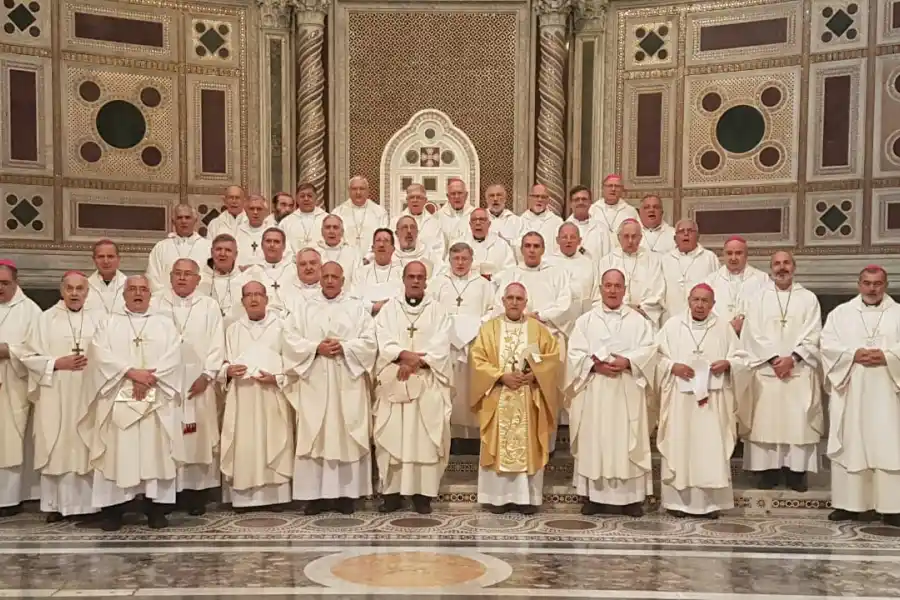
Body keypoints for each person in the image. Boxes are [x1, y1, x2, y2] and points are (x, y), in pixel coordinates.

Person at [79, 275, 183, 531]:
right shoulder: (109, 323)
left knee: (155, 453)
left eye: (143, 289)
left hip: (156, 398)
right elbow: (99, 354)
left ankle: (156, 509)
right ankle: (113, 511)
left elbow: (175, 355)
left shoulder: (165, 324)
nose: (138, 293)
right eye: (132, 289)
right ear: (124, 294)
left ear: (150, 294)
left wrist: (149, 378)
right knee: (117, 454)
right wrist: (130, 373)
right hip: (118, 398)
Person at [283, 262, 377, 515]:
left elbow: (370, 341)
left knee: (346, 433)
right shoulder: (304, 307)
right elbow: (289, 339)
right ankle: (314, 496)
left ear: (343, 279)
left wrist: (344, 347)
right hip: (315, 381)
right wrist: (316, 348)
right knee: (316, 435)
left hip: (347, 379)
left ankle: (347, 495)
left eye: (335, 276)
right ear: (320, 279)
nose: (330, 281)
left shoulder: (356, 308)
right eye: (326, 276)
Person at [565, 269, 657, 516]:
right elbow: (574, 353)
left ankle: (631, 499)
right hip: (596, 391)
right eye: (608, 285)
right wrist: (595, 365)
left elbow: (650, 350)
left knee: (627, 439)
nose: (613, 290)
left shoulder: (638, 321)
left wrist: (628, 362)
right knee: (596, 440)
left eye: (618, 286)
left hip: (627, 389)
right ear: (601, 288)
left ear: (625, 290)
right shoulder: (586, 321)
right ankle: (593, 497)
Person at [655, 283, 748, 519]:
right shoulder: (673, 326)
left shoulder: (723, 329)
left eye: (705, 301)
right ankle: (678, 503)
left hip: (712, 401)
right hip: (680, 400)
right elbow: (655, 357)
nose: (699, 305)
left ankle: (709, 505)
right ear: (688, 300)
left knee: (709, 449)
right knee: (680, 445)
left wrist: (728, 364)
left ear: (713, 304)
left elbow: (741, 359)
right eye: (695, 299)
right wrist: (671, 366)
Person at [470, 282, 560, 513]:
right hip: (499, 396)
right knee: (498, 445)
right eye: (510, 298)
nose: (514, 302)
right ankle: (498, 498)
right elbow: (478, 360)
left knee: (527, 443)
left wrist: (534, 376)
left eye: (519, 299)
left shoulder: (538, 329)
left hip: (528, 399)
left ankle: (526, 499)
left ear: (525, 303)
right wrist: (500, 376)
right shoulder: (489, 329)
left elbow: (551, 359)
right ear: (502, 301)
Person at [821, 265, 900, 526]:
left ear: (885, 285)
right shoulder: (841, 314)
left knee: (889, 444)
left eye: (877, 283)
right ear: (859, 284)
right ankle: (849, 505)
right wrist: (852, 355)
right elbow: (828, 345)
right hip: (852, 390)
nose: (872, 288)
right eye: (867, 283)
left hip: (888, 393)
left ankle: (892, 507)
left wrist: (888, 357)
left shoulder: (898, 313)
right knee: (852, 441)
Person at [372, 261, 453, 515]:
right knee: (393, 435)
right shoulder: (389, 310)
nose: (416, 281)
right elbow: (382, 338)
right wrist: (403, 356)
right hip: (397, 380)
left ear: (426, 281)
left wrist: (417, 361)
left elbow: (443, 342)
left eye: (420, 277)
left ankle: (423, 494)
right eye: (411, 276)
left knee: (425, 438)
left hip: (427, 381)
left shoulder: (438, 310)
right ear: (403, 279)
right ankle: (392, 494)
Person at [740, 251, 822, 492]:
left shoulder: (808, 298)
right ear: (770, 268)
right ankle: (767, 473)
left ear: (794, 267)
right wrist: (775, 359)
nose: (781, 268)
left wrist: (793, 358)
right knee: (766, 422)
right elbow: (752, 332)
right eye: (777, 263)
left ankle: (796, 474)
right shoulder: (758, 298)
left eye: (786, 263)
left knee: (797, 424)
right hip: (767, 371)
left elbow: (814, 332)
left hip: (798, 370)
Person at [20, 271, 99, 522]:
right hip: (55, 389)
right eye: (70, 288)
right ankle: (55, 504)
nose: (75, 293)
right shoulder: (45, 320)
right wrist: (56, 362)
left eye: (80, 289)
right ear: (62, 291)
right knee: (56, 442)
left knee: (87, 441)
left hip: (88, 391)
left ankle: (89, 506)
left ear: (87, 292)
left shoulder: (100, 320)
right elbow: (28, 356)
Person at [153, 259, 225, 515]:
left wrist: (207, 375)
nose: (182, 278)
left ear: (198, 279)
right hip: (166, 383)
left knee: (198, 436)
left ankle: (197, 494)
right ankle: (168, 491)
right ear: (170, 277)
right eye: (178, 273)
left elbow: (218, 342)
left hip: (199, 383)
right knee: (168, 435)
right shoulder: (156, 303)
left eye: (188, 274)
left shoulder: (209, 306)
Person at [220, 281, 294, 510]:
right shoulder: (232, 329)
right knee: (244, 443)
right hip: (242, 396)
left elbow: (292, 361)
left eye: (258, 295)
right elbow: (221, 362)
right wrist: (228, 371)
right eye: (248, 295)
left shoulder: (281, 327)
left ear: (267, 299)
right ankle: (244, 496)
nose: (253, 299)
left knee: (274, 438)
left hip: (272, 393)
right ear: (242, 301)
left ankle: (276, 496)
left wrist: (278, 377)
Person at [433, 243, 494, 448]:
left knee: (471, 388)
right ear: (449, 260)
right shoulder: (438, 283)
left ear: (471, 260)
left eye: (464, 259)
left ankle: (473, 438)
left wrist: (478, 324)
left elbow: (493, 310)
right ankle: (449, 435)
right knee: (450, 388)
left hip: (475, 344)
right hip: (445, 345)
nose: (460, 263)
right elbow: (431, 310)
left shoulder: (483, 285)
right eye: (456, 259)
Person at [0, 260, 41, 517]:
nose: (0, 288)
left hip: (12, 383)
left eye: (4, 283)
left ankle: (8, 499)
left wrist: (7, 351)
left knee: (9, 441)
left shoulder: (31, 311)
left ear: (16, 282)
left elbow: (34, 348)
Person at [596, 219, 665, 328]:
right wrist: (625, 308)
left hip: (644, 318)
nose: (630, 241)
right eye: (626, 236)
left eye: (634, 236)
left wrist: (641, 309)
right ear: (619, 238)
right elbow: (602, 292)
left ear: (641, 238)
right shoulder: (607, 261)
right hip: (615, 318)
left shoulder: (653, 260)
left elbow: (657, 290)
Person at [705, 236, 769, 335]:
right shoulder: (711, 280)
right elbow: (706, 309)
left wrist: (745, 323)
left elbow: (767, 309)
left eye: (738, 253)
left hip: (751, 336)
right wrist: (727, 326)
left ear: (746, 255)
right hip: (720, 334)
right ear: (724, 255)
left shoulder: (762, 279)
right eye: (729, 253)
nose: (733, 258)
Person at [660, 219, 720, 322]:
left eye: (690, 231)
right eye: (681, 231)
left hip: (702, 318)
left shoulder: (709, 258)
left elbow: (718, 288)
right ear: (675, 238)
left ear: (698, 236)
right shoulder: (665, 260)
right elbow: (659, 291)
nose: (686, 234)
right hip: (671, 317)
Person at [146, 204, 212, 292]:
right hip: (167, 302)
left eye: (187, 217)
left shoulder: (209, 247)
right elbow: (152, 278)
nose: (183, 221)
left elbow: (212, 277)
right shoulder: (161, 247)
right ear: (173, 221)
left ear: (195, 220)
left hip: (200, 301)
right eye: (179, 218)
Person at [243, 228, 296, 316]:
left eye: (276, 242)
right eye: (268, 241)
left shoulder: (295, 270)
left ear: (284, 246)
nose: (272, 245)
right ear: (262, 245)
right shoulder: (251, 272)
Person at [198, 234, 249, 324]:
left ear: (235, 254)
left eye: (228, 250)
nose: (222, 254)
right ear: (211, 252)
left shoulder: (245, 280)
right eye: (218, 249)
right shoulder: (199, 279)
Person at [331, 175, 389, 255]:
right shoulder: (337, 213)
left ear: (368, 191)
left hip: (372, 260)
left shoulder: (380, 212)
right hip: (345, 258)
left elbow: (383, 239)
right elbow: (335, 238)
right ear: (349, 191)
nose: (358, 192)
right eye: (354, 189)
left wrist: (369, 257)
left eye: (362, 189)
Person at [452, 208, 515, 279]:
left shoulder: (502, 245)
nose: (478, 223)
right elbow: (448, 267)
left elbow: (510, 270)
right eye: (474, 220)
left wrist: (493, 278)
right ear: (470, 224)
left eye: (482, 219)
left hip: (494, 287)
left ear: (489, 224)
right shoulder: (459, 243)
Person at [352, 228, 403, 315]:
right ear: (373, 248)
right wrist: (373, 307)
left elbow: (403, 299)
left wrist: (385, 306)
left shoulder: (401, 272)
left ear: (393, 249)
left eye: (386, 241)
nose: (381, 245)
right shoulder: (361, 272)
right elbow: (354, 300)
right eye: (378, 241)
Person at [236, 194, 292, 269]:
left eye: (259, 209)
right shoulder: (236, 231)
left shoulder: (275, 232)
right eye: (252, 209)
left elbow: (287, 256)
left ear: (265, 211)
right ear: (245, 211)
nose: (255, 212)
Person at [395, 183, 446, 259]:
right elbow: (392, 247)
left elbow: (439, 249)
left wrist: (426, 266)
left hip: (427, 267)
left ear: (425, 200)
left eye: (419, 197)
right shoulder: (395, 221)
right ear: (407, 200)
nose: (415, 200)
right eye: (411, 197)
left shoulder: (435, 223)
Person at [566, 185, 610, 261]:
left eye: (584, 199)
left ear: (590, 202)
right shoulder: (561, 229)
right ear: (570, 204)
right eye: (576, 199)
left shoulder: (602, 229)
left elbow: (608, 258)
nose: (581, 202)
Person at [85, 239, 127, 315]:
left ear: (118, 259)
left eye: (110, 256)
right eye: (101, 257)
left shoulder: (130, 285)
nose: (106, 261)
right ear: (94, 259)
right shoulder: (84, 286)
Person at [280, 182, 328, 250]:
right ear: (297, 199)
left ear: (316, 198)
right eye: (302, 196)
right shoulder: (286, 222)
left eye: (310, 196)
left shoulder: (327, 219)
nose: (306, 199)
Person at [592, 174, 638, 241]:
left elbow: (638, 233)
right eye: (610, 186)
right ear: (603, 188)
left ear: (622, 189)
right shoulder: (593, 209)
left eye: (617, 186)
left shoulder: (630, 211)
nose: (613, 189)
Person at [317, 215, 362, 283]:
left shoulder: (354, 253)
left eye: (335, 227)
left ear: (342, 232)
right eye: (328, 227)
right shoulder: (315, 253)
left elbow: (358, 280)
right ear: (322, 231)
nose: (331, 231)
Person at [519, 184, 563, 249]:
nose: (540, 200)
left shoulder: (557, 222)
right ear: (529, 198)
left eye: (543, 197)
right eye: (536, 196)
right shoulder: (519, 221)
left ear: (548, 200)